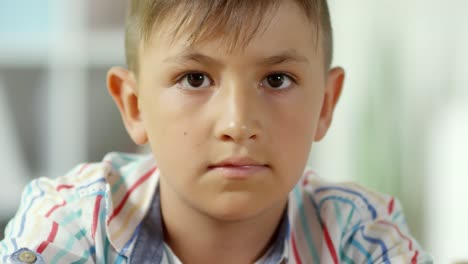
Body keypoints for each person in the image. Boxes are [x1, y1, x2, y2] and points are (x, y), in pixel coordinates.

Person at [0, 0, 433, 263]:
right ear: (134, 106)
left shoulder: (360, 232)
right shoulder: (73, 219)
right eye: (194, 79)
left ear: (325, 104)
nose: (237, 124)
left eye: (277, 80)